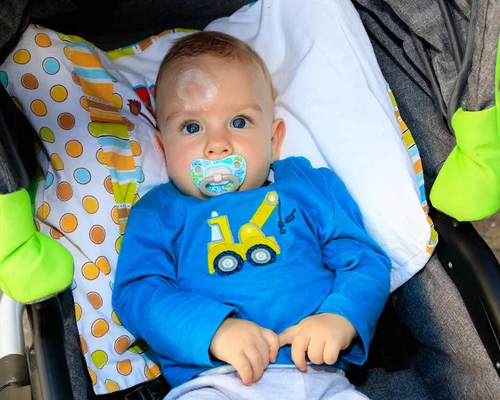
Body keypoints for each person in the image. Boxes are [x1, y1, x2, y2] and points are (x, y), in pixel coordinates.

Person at [112, 31, 391, 400]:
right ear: (163, 147)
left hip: (321, 378)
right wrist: (214, 330)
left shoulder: (306, 185)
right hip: (216, 383)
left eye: (239, 122)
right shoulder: (159, 213)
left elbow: (365, 261)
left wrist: (340, 317)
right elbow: (140, 294)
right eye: (191, 127)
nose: (217, 144)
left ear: (274, 140)